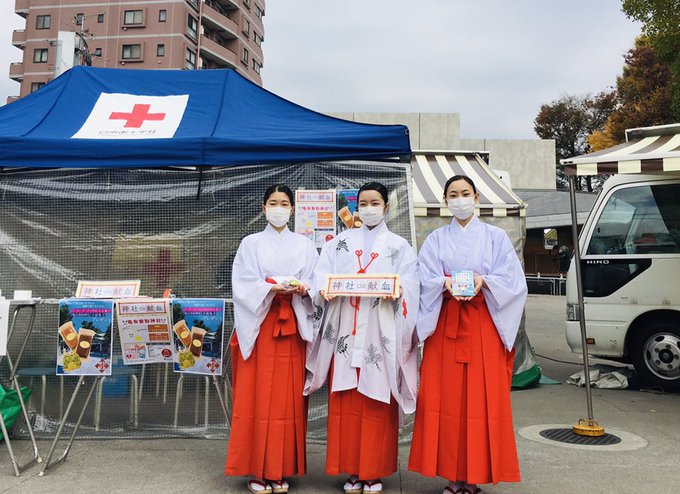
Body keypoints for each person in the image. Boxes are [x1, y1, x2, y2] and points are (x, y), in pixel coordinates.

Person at [408, 175, 528, 494]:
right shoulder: (436, 239)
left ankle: (474, 475)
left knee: (481, 401)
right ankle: (451, 475)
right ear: (446, 201)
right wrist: (443, 284)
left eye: (465, 193)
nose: (459, 199)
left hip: (482, 322)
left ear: (475, 196)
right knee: (443, 400)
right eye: (453, 195)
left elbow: (514, 282)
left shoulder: (495, 236)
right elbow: (423, 278)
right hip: (446, 320)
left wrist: (484, 282)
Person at [305, 182, 419, 494]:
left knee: (376, 400)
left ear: (386, 206)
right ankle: (352, 470)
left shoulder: (399, 246)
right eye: (363, 203)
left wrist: (399, 291)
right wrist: (324, 288)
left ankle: (374, 470)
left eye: (375, 202)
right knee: (346, 399)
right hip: (345, 326)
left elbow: (410, 284)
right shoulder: (338, 243)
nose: (369, 208)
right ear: (357, 208)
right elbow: (320, 276)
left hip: (379, 330)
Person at [225, 184, 319, 494]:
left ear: (293, 209)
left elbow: (316, 284)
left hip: (291, 325)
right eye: (272, 203)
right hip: (261, 324)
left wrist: (305, 289)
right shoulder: (250, 243)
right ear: (263, 209)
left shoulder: (305, 245)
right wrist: (269, 289)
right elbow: (242, 284)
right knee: (257, 399)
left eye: (284, 203)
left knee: (287, 399)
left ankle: (280, 468)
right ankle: (257, 470)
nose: (279, 208)